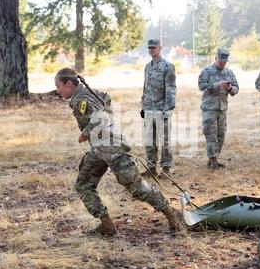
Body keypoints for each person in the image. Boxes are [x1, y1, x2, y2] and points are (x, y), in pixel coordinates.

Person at [54, 68, 186, 236]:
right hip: (100, 150)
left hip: (113, 149)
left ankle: (173, 215)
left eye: (59, 86)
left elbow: (102, 118)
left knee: (137, 188)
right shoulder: (87, 93)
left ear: (69, 84)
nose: (58, 91)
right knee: (83, 185)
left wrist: (85, 134)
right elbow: (106, 98)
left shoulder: (82, 98)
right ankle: (107, 225)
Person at [141, 39, 177, 179]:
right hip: (149, 109)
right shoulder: (147, 67)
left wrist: (168, 109)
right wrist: (143, 105)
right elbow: (145, 87)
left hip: (162, 110)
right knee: (149, 140)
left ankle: (166, 168)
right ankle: (151, 168)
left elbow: (171, 89)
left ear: (160, 48)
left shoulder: (167, 67)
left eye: (154, 48)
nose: (151, 50)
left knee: (165, 141)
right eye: (149, 48)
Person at [198, 48, 239, 170]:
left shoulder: (229, 73)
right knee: (210, 135)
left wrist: (230, 88)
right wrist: (217, 84)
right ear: (215, 58)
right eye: (220, 61)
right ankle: (214, 160)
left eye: (224, 62)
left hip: (222, 109)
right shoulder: (206, 71)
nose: (222, 64)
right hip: (209, 108)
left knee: (221, 135)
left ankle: (213, 158)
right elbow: (201, 86)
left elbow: (236, 88)